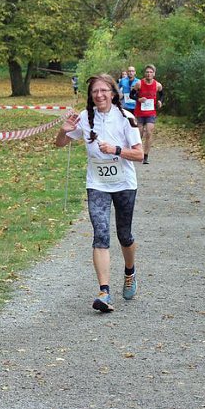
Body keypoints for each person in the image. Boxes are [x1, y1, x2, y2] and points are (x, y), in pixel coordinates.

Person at [55, 74, 143, 313]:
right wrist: (63, 132)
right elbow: (60, 144)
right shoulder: (84, 118)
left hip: (124, 183)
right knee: (100, 234)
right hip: (97, 184)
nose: (99, 95)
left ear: (113, 93)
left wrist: (115, 149)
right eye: (95, 91)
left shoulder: (127, 118)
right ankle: (104, 292)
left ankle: (129, 271)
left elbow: (140, 155)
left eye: (104, 90)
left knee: (124, 235)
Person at [130, 64, 163, 164]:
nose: (149, 74)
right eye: (147, 72)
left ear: (154, 74)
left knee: (149, 132)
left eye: (151, 72)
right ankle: (137, 152)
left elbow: (162, 94)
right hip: (140, 112)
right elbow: (131, 95)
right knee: (139, 133)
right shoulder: (139, 84)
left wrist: (160, 101)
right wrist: (138, 99)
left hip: (151, 112)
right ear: (145, 73)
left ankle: (145, 156)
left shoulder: (158, 85)